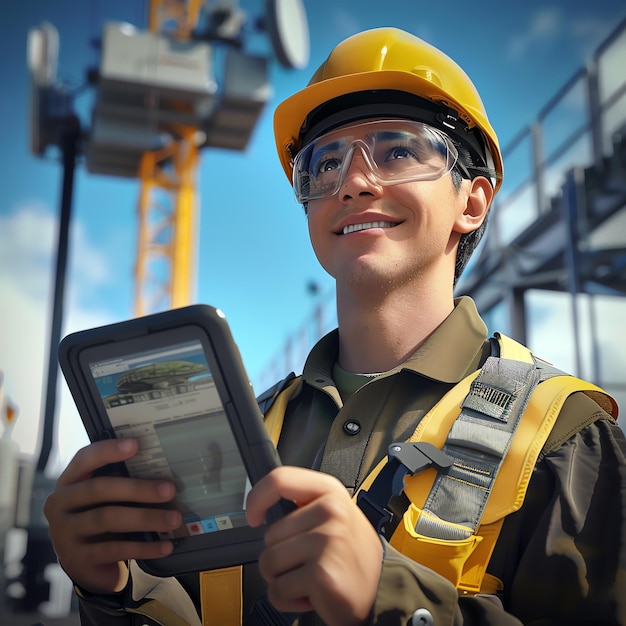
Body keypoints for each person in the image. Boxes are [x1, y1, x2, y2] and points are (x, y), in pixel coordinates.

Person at [44, 27, 625, 626]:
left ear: (471, 203)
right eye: (324, 162)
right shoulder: (249, 433)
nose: (353, 180)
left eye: (398, 149)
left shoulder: (564, 435)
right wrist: (112, 592)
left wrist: (389, 597)